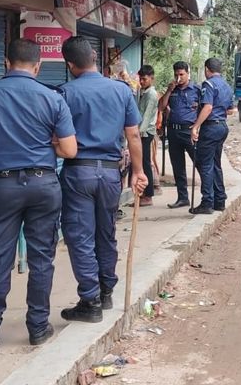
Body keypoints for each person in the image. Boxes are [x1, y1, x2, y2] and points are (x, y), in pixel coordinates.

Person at [0, 39, 77, 353]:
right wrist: (48, 142)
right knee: (42, 259)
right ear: (38, 66)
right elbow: (69, 150)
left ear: (5, 62)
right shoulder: (53, 98)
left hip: (3, 186)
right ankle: (38, 328)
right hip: (44, 186)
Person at [58, 37, 147, 324]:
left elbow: (56, 139)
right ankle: (107, 291)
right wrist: (138, 171)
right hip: (111, 173)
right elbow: (133, 135)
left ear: (69, 64)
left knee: (80, 236)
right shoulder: (121, 91)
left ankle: (90, 300)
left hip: (78, 171)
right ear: (95, 58)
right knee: (105, 232)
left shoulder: (64, 94)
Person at [189, 57, 234, 215]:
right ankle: (219, 200)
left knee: (205, 164)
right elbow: (230, 110)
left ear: (207, 69)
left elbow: (208, 107)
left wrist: (196, 126)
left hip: (211, 127)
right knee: (215, 163)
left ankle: (207, 202)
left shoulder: (208, 84)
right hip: (222, 125)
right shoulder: (227, 86)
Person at [158, 61, 199, 209]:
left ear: (188, 74)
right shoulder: (172, 89)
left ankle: (209, 196)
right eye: (176, 75)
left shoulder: (197, 90)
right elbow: (161, 107)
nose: (178, 77)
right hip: (173, 132)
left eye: (181, 74)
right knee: (178, 166)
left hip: (189, 131)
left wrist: (198, 127)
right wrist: (169, 91)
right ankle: (183, 198)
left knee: (200, 162)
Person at [136, 65, 158, 207]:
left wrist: (137, 134)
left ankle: (148, 195)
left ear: (151, 78)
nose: (142, 81)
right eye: (141, 79)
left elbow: (147, 116)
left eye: (144, 79)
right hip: (141, 132)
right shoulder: (143, 92)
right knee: (142, 163)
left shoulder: (151, 94)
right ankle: (144, 194)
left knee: (144, 163)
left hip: (145, 133)